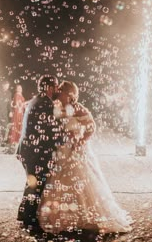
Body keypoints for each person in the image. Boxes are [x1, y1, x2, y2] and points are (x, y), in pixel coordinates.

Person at [38, 80, 133, 235]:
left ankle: (84, 215)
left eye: (61, 90)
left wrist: (80, 140)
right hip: (62, 150)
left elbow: (91, 127)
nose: (58, 92)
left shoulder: (77, 108)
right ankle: (63, 216)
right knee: (59, 182)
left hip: (76, 150)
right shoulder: (57, 106)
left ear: (69, 94)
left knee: (81, 180)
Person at [16, 75, 62, 233]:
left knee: (32, 183)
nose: (58, 89)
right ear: (49, 87)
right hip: (34, 152)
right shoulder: (45, 103)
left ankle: (24, 215)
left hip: (29, 149)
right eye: (56, 86)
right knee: (36, 185)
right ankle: (30, 221)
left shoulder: (37, 99)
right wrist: (64, 139)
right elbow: (50, 130)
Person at [5, 84, 25, 154]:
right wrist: (20, 108)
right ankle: (13, 139)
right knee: (15, 125)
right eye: (19, 88)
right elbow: (17, 104)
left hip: (20, 112)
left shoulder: (20, 95)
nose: (20, 89)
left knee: (18, 126)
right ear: (16, 89)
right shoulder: (16, 95)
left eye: (21, 87)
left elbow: (22, 104)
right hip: (17, 112)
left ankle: (16, 139)